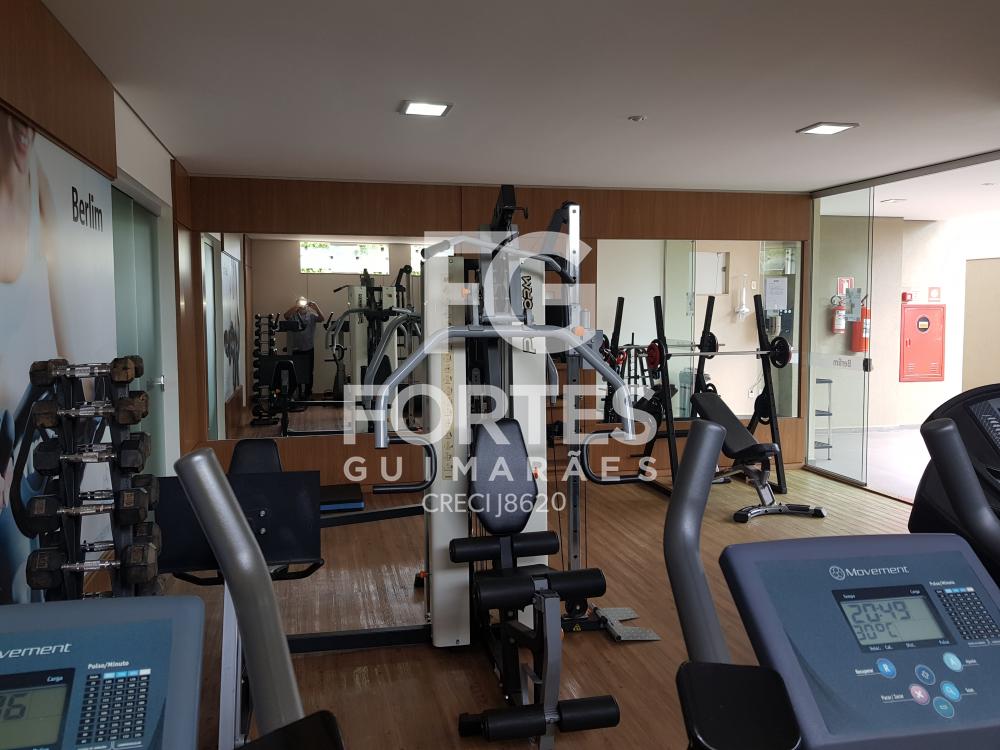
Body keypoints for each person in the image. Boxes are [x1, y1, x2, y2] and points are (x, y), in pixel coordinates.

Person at [0, 109, 57, 604]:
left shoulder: (41, 183)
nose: (26, 132)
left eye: (31, 124)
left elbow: (62, 324)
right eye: (17, 122)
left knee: (34, 574)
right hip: (5, 429)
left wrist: (91, 400)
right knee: (17, 579)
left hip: (28, 424)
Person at [283, 297, 324, 399]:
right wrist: (296, 306)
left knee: (309, 372)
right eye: (300, 302)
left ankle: (307, 394)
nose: (302, 305)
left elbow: (322, 318)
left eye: (303, 302)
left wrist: (316, 307)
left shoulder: (311, 316)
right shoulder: (293, 316)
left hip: (309, 348)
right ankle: (298, 394)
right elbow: (285, 316)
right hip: (296, 349)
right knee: (296, 372)